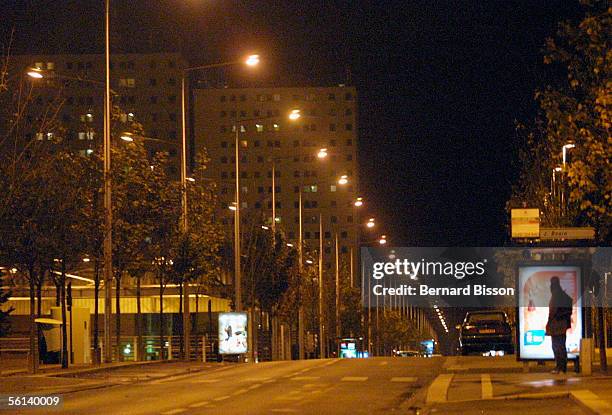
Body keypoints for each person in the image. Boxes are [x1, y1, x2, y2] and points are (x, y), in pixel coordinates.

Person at [546, 276, 573, 374]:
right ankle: (562, 368)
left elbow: (553, 311)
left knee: (556, 346)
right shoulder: (562, 294)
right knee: (561, 346)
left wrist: (548, 324)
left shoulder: (556, 295)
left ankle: (559, 367)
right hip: (563, 324)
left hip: (556, 325)